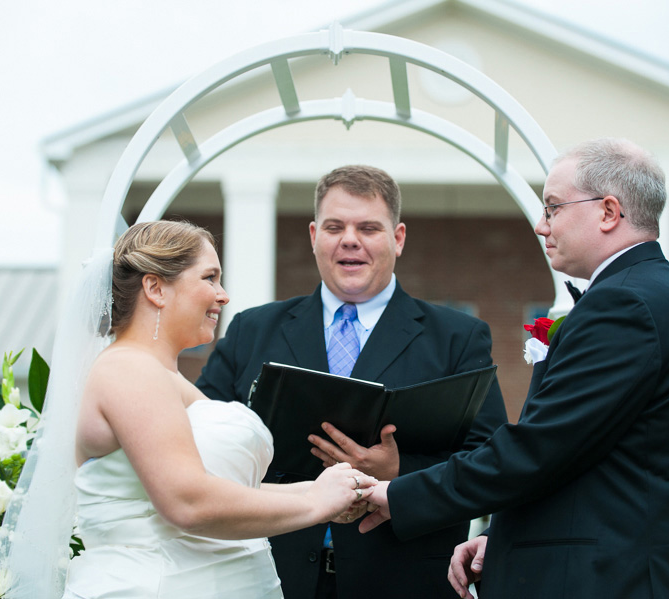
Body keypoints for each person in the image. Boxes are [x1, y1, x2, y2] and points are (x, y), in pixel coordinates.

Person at [360, 138, 669, 599]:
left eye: (553, 208)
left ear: (608, 212)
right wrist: (503, 540)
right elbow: (580, 463)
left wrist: (401, 495)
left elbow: (539, 447)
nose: (541, 226)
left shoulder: (625, 304)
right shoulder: (643, 294)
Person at [0, 221, 376, 599]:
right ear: (155, 288)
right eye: (209, 277)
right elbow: (186, 501)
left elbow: (223, 486)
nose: (223, 295)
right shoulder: (127, 369)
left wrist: (325, 492)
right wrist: (314, 502)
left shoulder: (163, 376)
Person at [196, 165, 508, 599]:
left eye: (368, 228)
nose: (349, 240)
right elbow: (203, 443)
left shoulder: (457, 338)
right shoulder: (252, 330)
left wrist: (400, 475)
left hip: (402, 581)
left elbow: (491, 462)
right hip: (266, 575)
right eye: (335, 226)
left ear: (397, 238)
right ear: (313, 235)